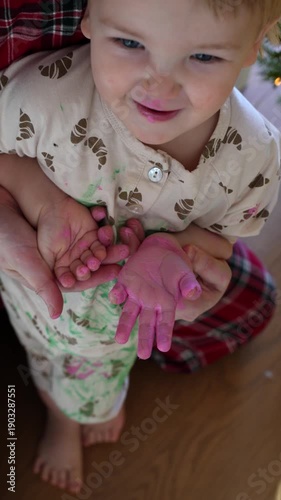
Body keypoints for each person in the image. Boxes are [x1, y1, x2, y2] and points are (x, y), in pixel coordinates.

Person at [0, 0, 280, 493]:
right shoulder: (44, 97)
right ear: (88, 19)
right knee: (41, 358)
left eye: (204, 58)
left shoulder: (254, 158)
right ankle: (63, 421)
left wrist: (187, 252)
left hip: (125, 328)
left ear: (255, 46)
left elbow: (223, 237)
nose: (159, 85)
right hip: (33, 301)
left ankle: (99, 402)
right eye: (130, 44)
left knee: (105, 371)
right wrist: (41, 202)